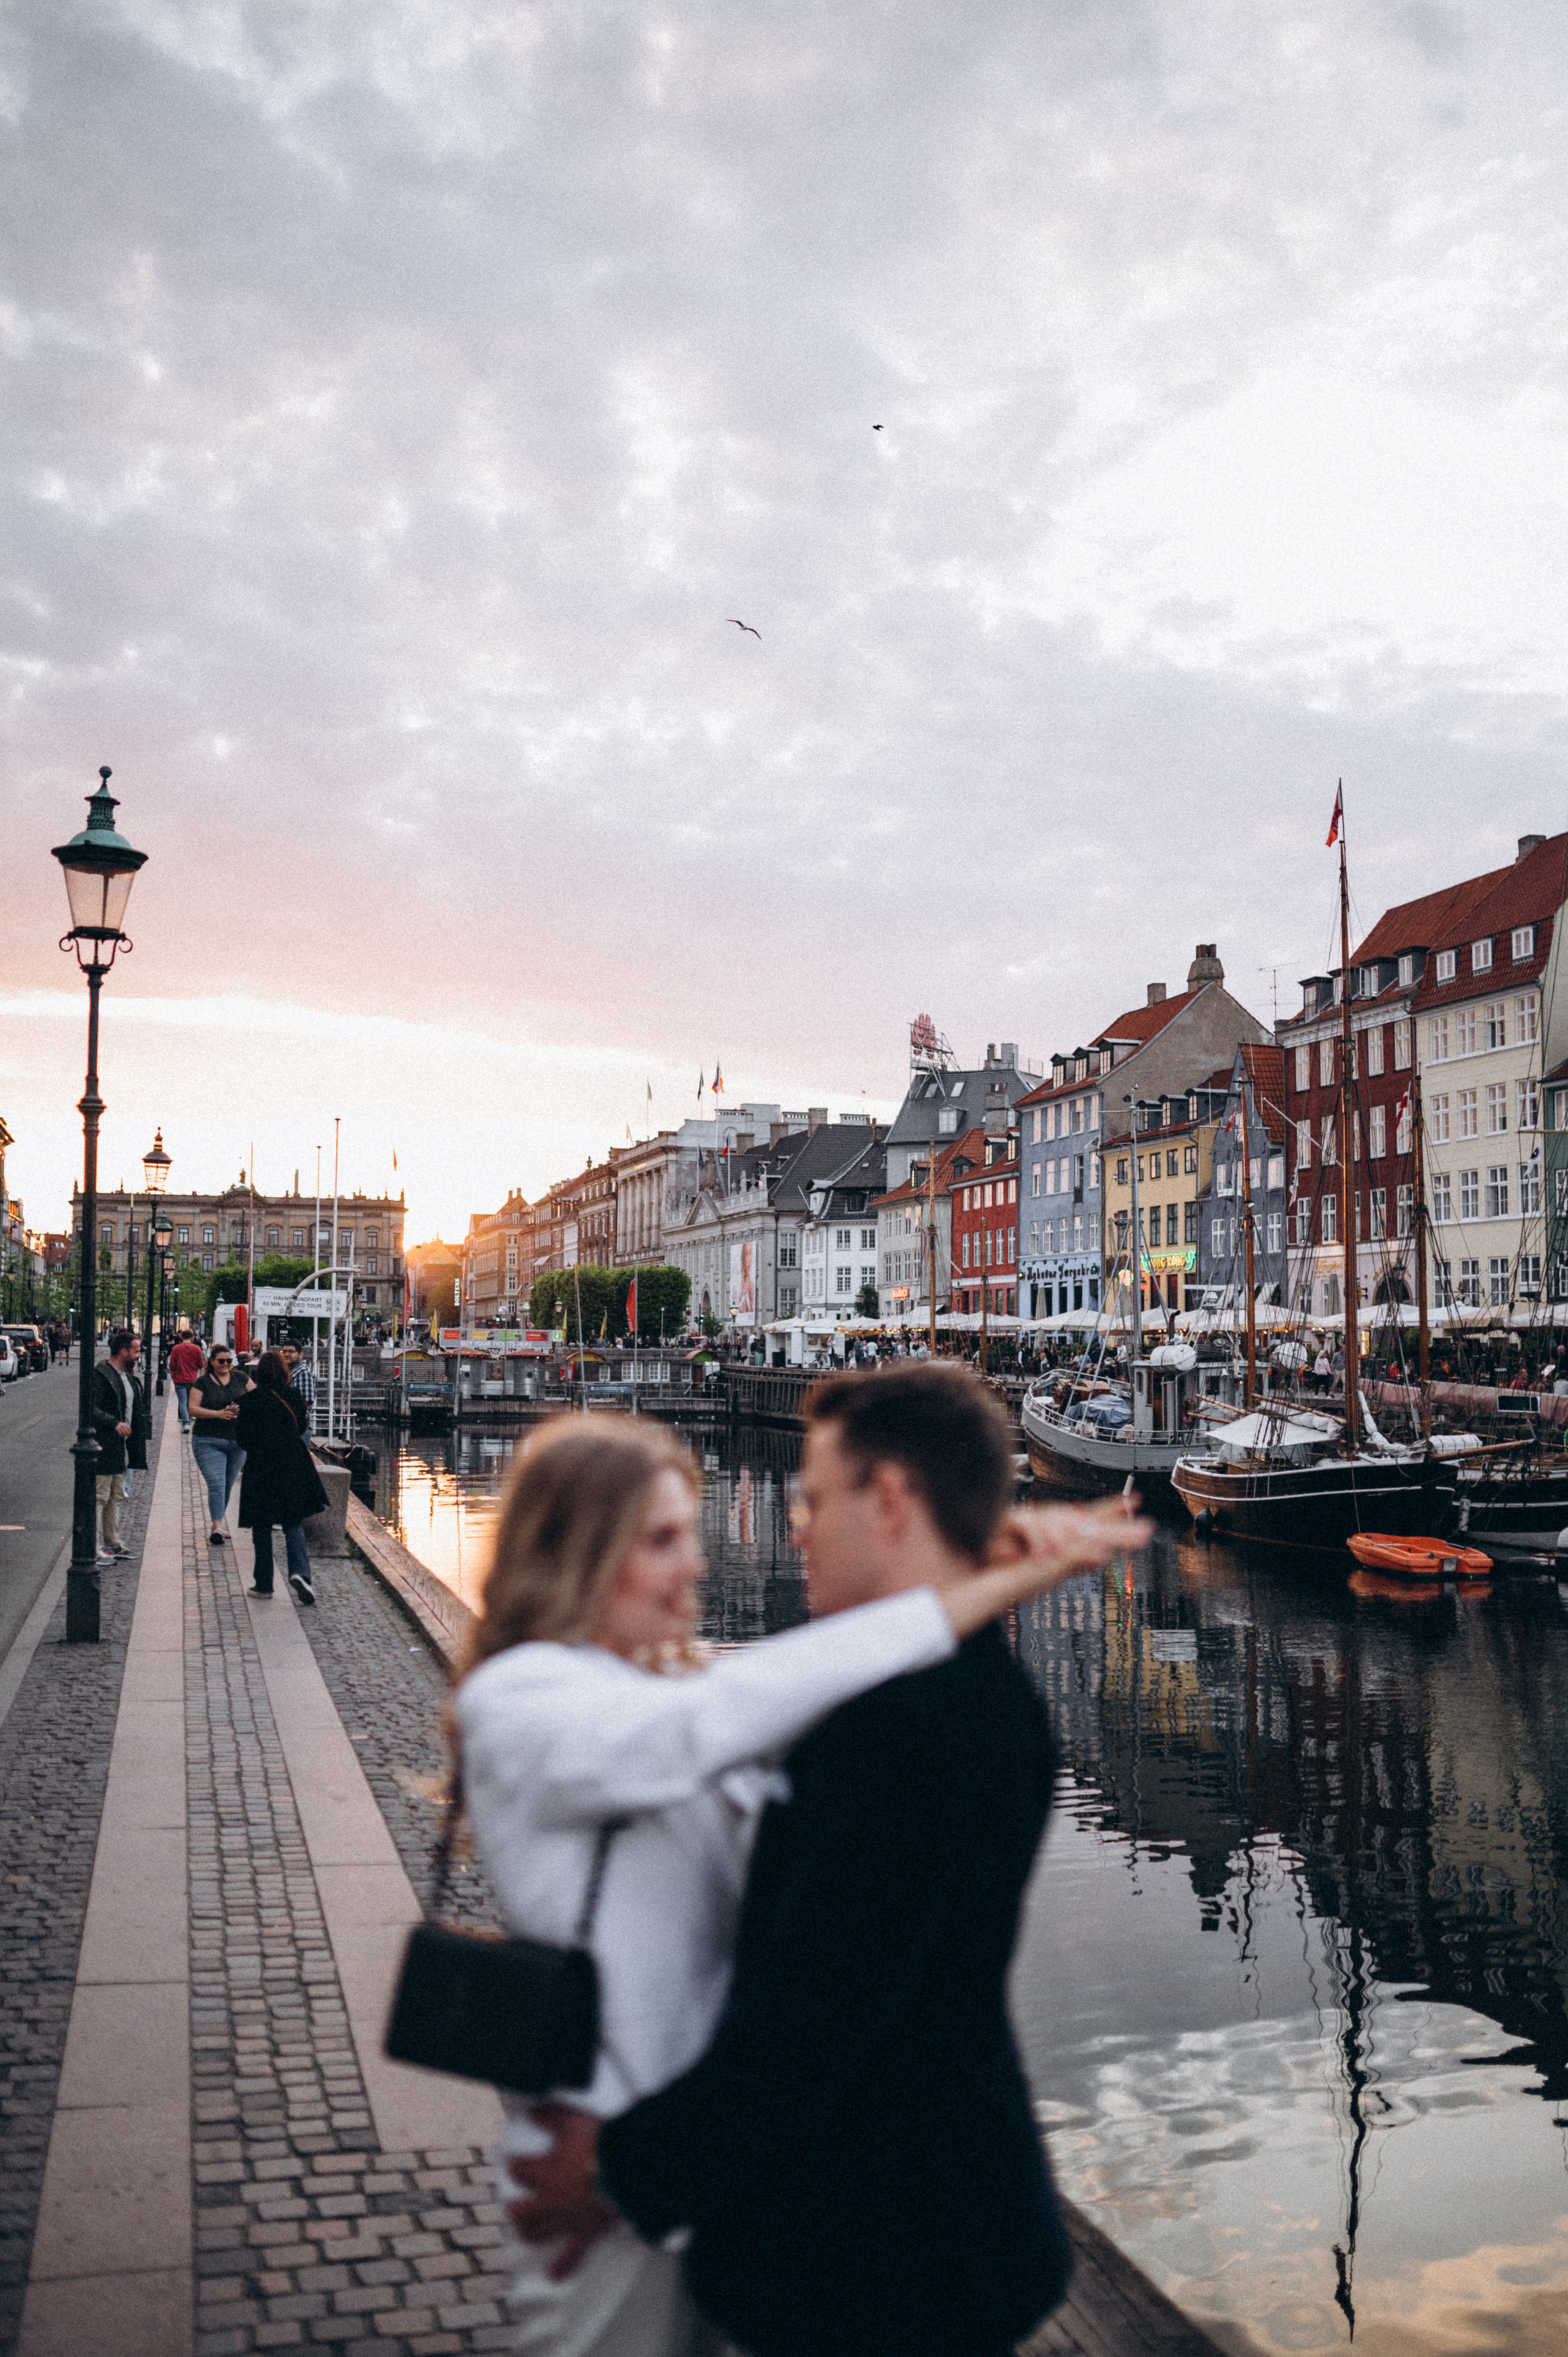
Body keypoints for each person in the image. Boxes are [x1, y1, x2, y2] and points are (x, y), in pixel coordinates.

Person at [488, 1379, 1150, 2357]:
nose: (788, 1532)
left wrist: (629, 2170)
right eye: (665, 1539)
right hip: (816, 2218)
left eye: (811, 1499)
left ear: (887, 1500)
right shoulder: (827, 1694)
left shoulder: (904, 1720)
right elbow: (720, 1712)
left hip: (882, 2250)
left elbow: (822, 2012)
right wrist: (969, 1583)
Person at [235, 1352, 327, 1602]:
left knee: (262, 1525)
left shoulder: (249, 1401)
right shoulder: (295, 1396)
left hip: (261, 1465)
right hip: (293, 1463)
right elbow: (300, 1428)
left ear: (259, 1373)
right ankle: (301, 1573)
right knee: (292, 1521)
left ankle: (264, 1584)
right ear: (286, 1372)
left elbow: (242, 1439)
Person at [91, 1328, 147, 1562]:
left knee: (115, 1496)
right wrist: (113, 1423)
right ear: (123, 1351)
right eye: (136, 1351)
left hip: (121, 1447)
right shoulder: (102, 1374)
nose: (139, 1355)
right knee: (100, 1496)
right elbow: (90, 1409)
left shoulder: (128, 1378)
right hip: (103, 1445)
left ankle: (112, 1542)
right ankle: (91, 1547)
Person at [190, 1345, 248, 1545]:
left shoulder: (241, 1378)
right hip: (208, 1440)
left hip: (238, 1441)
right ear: (212, 1362)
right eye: (221, 1361)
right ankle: (217, 1527)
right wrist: (218, 1414)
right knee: (217, 1483)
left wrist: (243, 1406)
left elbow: (258, 1399)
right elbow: (193, 1410)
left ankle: (219, 1524)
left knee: (228, 1484)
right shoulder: (203, 1382)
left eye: (229, 1361)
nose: (226, 1364)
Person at [278, 1339, 316, 1436]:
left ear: (301, 1354)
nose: (286, 1354)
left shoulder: (303, 1372)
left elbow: (306, 1402)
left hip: (297, 1427)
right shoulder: (290, 1371)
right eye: (284, 1351)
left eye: (291, 1351)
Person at [168, 1330, 204, 1432]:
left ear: (181, 1337)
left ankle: (186, 1423)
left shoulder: (176, 1348)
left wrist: (173, 1375)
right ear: (192, 1337)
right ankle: (188, 1418)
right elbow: (201, 1364)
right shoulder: (197, 1348)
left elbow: (172, 1364)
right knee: (190, 1400)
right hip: (192, 1379)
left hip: (179, 1379)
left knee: (182, 1401)